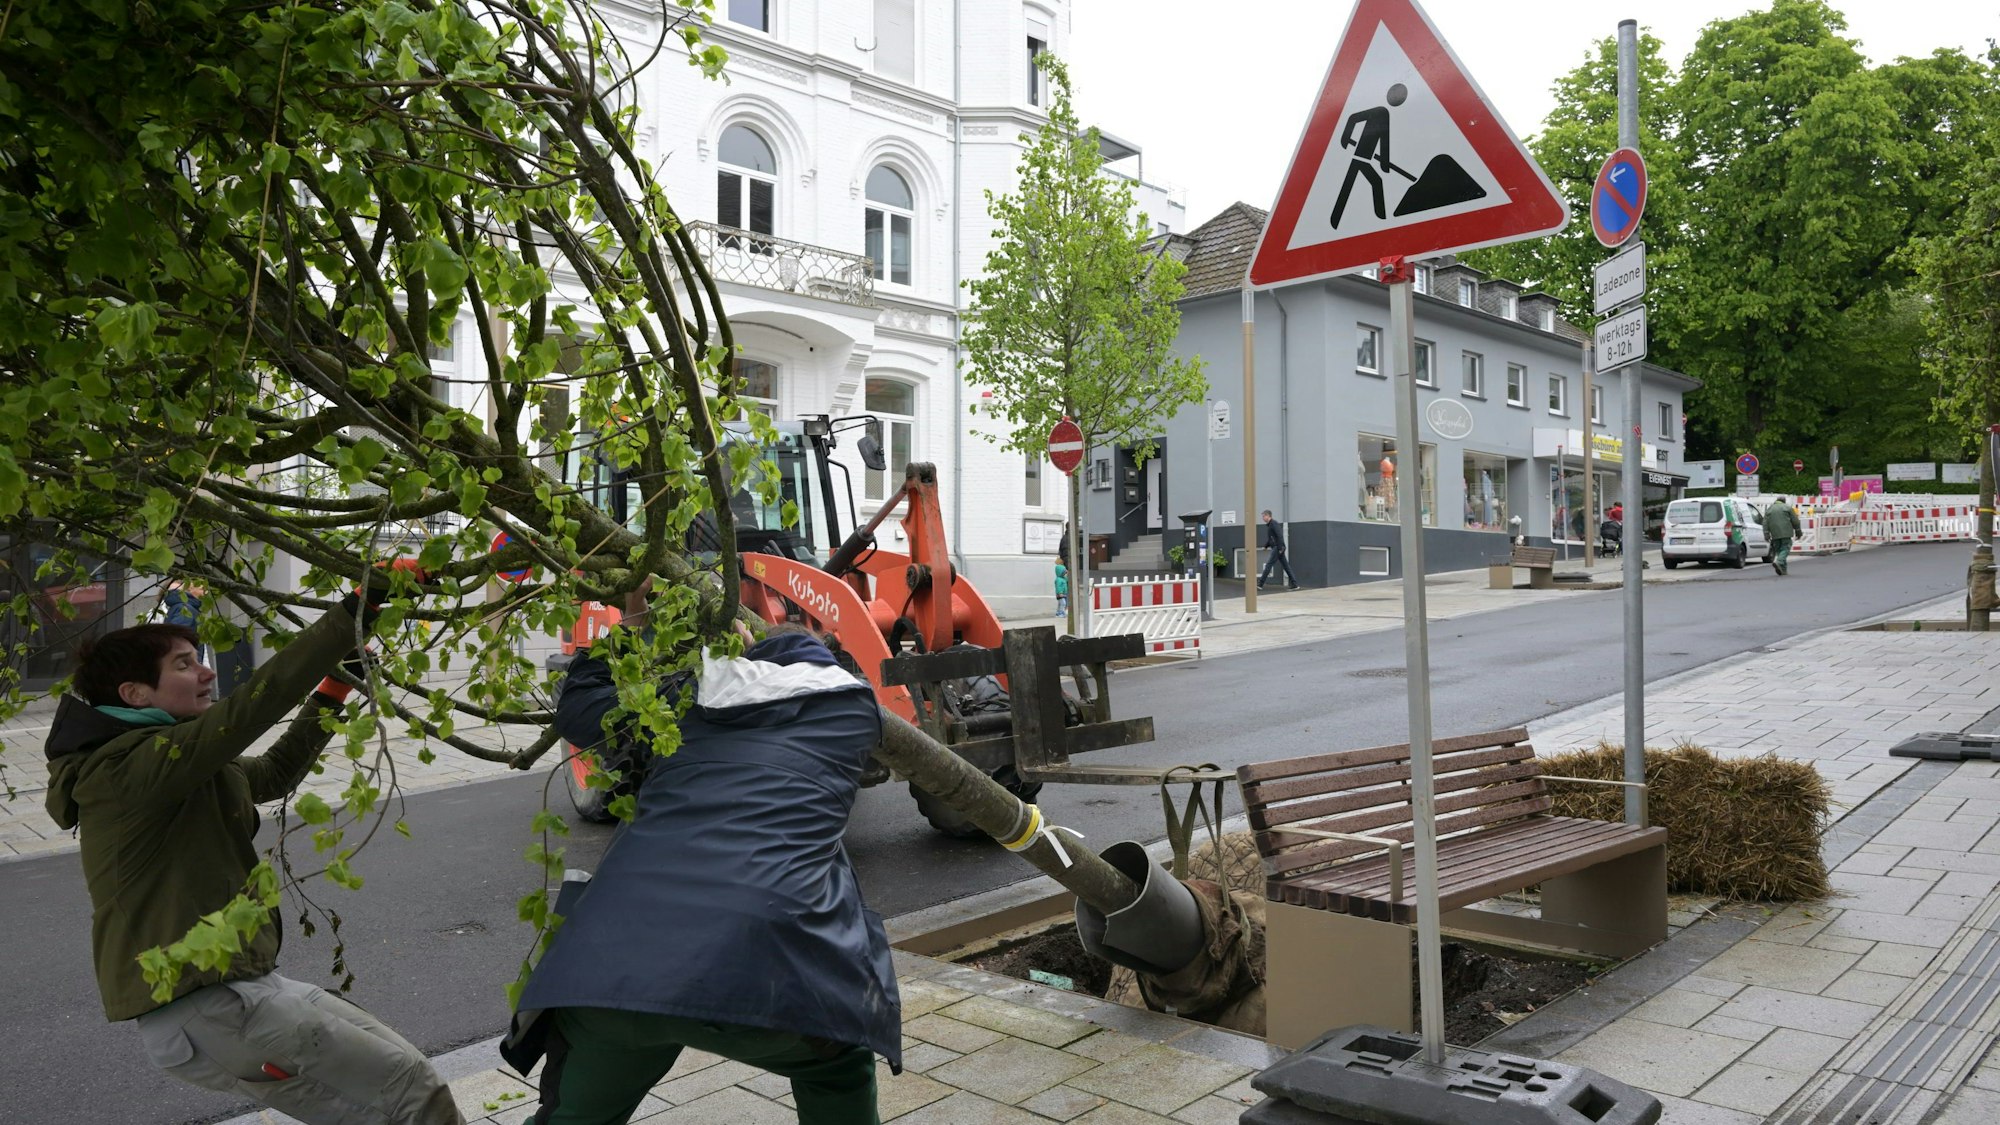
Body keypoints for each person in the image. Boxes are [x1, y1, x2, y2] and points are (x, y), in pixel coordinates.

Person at [44, 565, 461, 1125]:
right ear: (133, 692)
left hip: (239, 990)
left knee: (412, 1080)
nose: (207, 673)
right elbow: (253, 710)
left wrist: (334, 690)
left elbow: (273, 772)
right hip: (205, 1005)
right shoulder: (129, 768)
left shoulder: (177, 761)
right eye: (184, 664)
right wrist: (361, 601)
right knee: (412, 1097)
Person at [503, 600, 900, 1125]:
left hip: (618, 969)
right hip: (782, 979)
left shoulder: (681, 699)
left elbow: (577, 706)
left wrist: (640, 619)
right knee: (835, 1066)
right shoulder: (855, 711)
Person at [1257, 509, 1300, 591]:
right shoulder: (1270, 525)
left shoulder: (1273, 524)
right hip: (1278, 548)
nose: (1262, 518)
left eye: (1263, 516)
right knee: (1286, 566)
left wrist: (1280, 548)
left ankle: (1260, 584)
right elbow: (1271, 539)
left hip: (1278, 548)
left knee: (1268, 565)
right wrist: (1266, 546)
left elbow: (1279, 535)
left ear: (1268, 516)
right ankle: (1295, 584)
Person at [1764, 496, 1801, 576]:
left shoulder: (1769, 509)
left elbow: (1765, 523)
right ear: (1784, 501)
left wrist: (1766, 534)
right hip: (1786, 533)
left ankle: (1783, 570)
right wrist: (1798, 532)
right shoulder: (1787, 508)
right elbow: (1795, 521)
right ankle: (1779, 562)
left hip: (1774, 534)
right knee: (1785, 548)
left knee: (1779, 551)